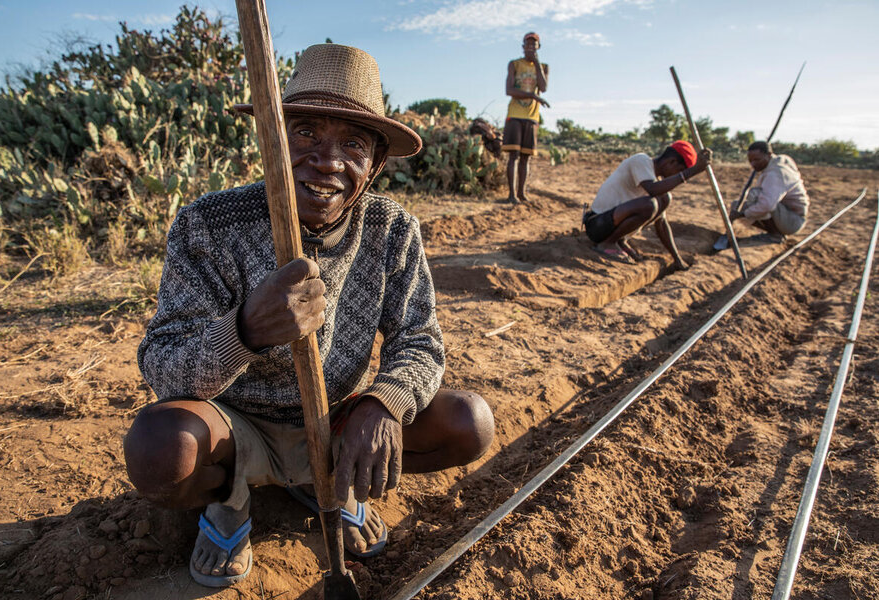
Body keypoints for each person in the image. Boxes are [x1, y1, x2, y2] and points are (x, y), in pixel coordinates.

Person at [123, 44, 495, 588]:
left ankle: (337, 481)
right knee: (161, 449)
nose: (327, 160)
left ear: (375, 164)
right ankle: (231, 501)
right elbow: (163, 367)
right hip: (235, 427)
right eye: (305, 133)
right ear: (272, 137)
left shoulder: (392, 230)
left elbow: (421, 341)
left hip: (338, 420)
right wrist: (244, 331)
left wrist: (382, 403)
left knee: (470, 423)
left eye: (352, 143)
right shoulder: (209, 223)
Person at [583, 140, 712, 267]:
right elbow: (653, 189)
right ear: (671, 162)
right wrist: (692, 172)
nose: (676, 177)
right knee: (649, 205)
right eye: (679, 171)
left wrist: (676, 258)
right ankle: (607, 243)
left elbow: (661, 224)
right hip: (597, 225)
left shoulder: (656, 181)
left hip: (610, 225)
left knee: (665, 198)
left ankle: (619, 240)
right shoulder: (641, 161)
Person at [729, 141, 809, 243]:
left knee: (756, 196)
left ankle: (775, 235)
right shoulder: (776, 161)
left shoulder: (775, 174)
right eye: (750, 161)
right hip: (786, 215)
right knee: (737, 205)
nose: (753, 164)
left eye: (757, 160)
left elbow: (767, 205)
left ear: (769, 155)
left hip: (792, 221)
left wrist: (744, 214)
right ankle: (774, 233)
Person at [503, 32, 549, 204]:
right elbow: (509, 90)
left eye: (534, 45)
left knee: (525, 157)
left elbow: (543, 87)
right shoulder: (514, 64)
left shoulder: (543, 67)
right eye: (527, 45)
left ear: (538, 48)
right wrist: (534, 97)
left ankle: (522, 193)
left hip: (532, 116)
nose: (530, 48)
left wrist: (536, 63)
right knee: (513, 155)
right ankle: (511, 194)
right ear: (523, 47)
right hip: (515, 114)